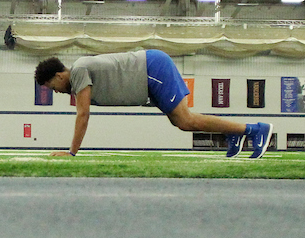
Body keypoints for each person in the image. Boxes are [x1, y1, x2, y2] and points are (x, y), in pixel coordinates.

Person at [34, 50, 272, 159]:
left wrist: (72, 152)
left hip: (152, 69)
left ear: (59, 76)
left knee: (185, 119)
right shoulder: (80, 73)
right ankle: (236, 133)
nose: (55, 91)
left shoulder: (78, 71)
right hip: (149, 75)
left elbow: (83, 114)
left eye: (51, 86)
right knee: (183, 122)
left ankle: (255, 129)